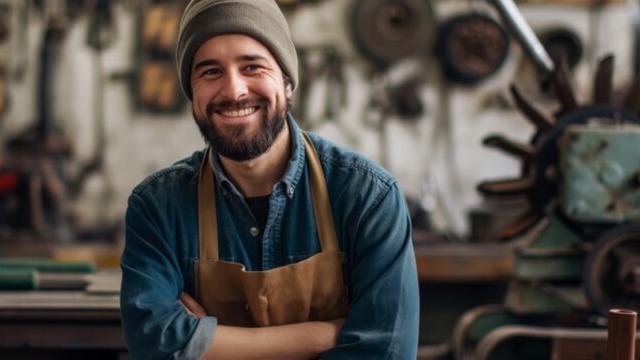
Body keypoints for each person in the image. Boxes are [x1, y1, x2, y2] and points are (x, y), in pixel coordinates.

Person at [119, 0, 419, 357]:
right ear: (191, 94)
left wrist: (204, 345)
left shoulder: (368, 197)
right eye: (210, 71)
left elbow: (387, 351)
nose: (234, 91)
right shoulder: (158, 207)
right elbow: (153, 343)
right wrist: (323, 336)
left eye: (252, 66)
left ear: (287, 81)